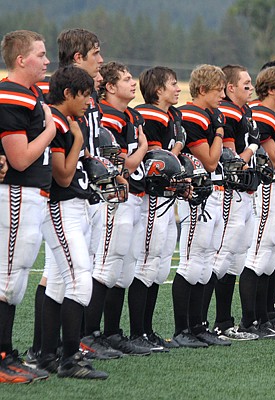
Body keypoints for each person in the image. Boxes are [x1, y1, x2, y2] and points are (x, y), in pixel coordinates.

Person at [28, 28, 106, 363]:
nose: (101, 60)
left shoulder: (68, 115)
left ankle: (48, 352)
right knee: (76, 282)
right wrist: (77, 142)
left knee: (61, 281)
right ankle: (65, 354)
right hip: (60, 201)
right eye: (95, 53)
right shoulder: (59, 120)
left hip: (76, 199)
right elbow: (62, 172)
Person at [0, 29, 56, 384]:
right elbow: (19, 159)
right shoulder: (12, 95)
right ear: (21, 60)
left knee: (16, 277)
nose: (47, 60)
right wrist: (50, 130)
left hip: (30, 194)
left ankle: (7, 350)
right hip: (16, 192)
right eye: (40, 54)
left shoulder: (30, 93)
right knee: (7, 278)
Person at [92, 61, 151, 356]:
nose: (133, 82)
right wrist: (142, 147)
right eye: (126, 79)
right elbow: (124, 163)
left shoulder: (129, 114)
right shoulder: (107, 115)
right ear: (110, 86)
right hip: (112, 198)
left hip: (131, 197)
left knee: (123, 269)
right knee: (107, 265)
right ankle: (90, 334)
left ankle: (112, 332)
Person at [172, 64, 232, 347]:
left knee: (207, 261)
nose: (223, 94)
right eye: (219, 89)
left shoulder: (208, 114)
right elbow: (209, 160)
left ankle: (199, 325)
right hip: (198, 193)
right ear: (203, 90)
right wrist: (219, 133)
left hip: (215, 191)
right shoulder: (193, 115)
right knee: (192, 263)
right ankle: (183, 328)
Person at [130, 66, 184, 351]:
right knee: (146, 263)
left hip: (166, 198)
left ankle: (147, 330)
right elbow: (154, 160)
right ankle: (137, 331)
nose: (178, 88)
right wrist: (174, 157)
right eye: (173, 84)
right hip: (151, 197)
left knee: (160, 264)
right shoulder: (149, 114)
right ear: (158, 90)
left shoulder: (172, 115)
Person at [240, 66, 275, 338]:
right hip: (267, 188)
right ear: (271, 89)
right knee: (260, 255)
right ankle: (250, 320)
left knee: (273, 254)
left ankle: (264, 316)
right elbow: (273, 158)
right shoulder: (262, 114)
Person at [212, 64, 261, 341]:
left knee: (236, 259)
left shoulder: (245, 111)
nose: (249, 87)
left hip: (246, 192)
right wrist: (253, 148)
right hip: (231, 190)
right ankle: (220, 322)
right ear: (230, 87)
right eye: (245, 83)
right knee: (223, 259)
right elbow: (231, 159)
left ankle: (226, 322)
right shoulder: (228, 112)